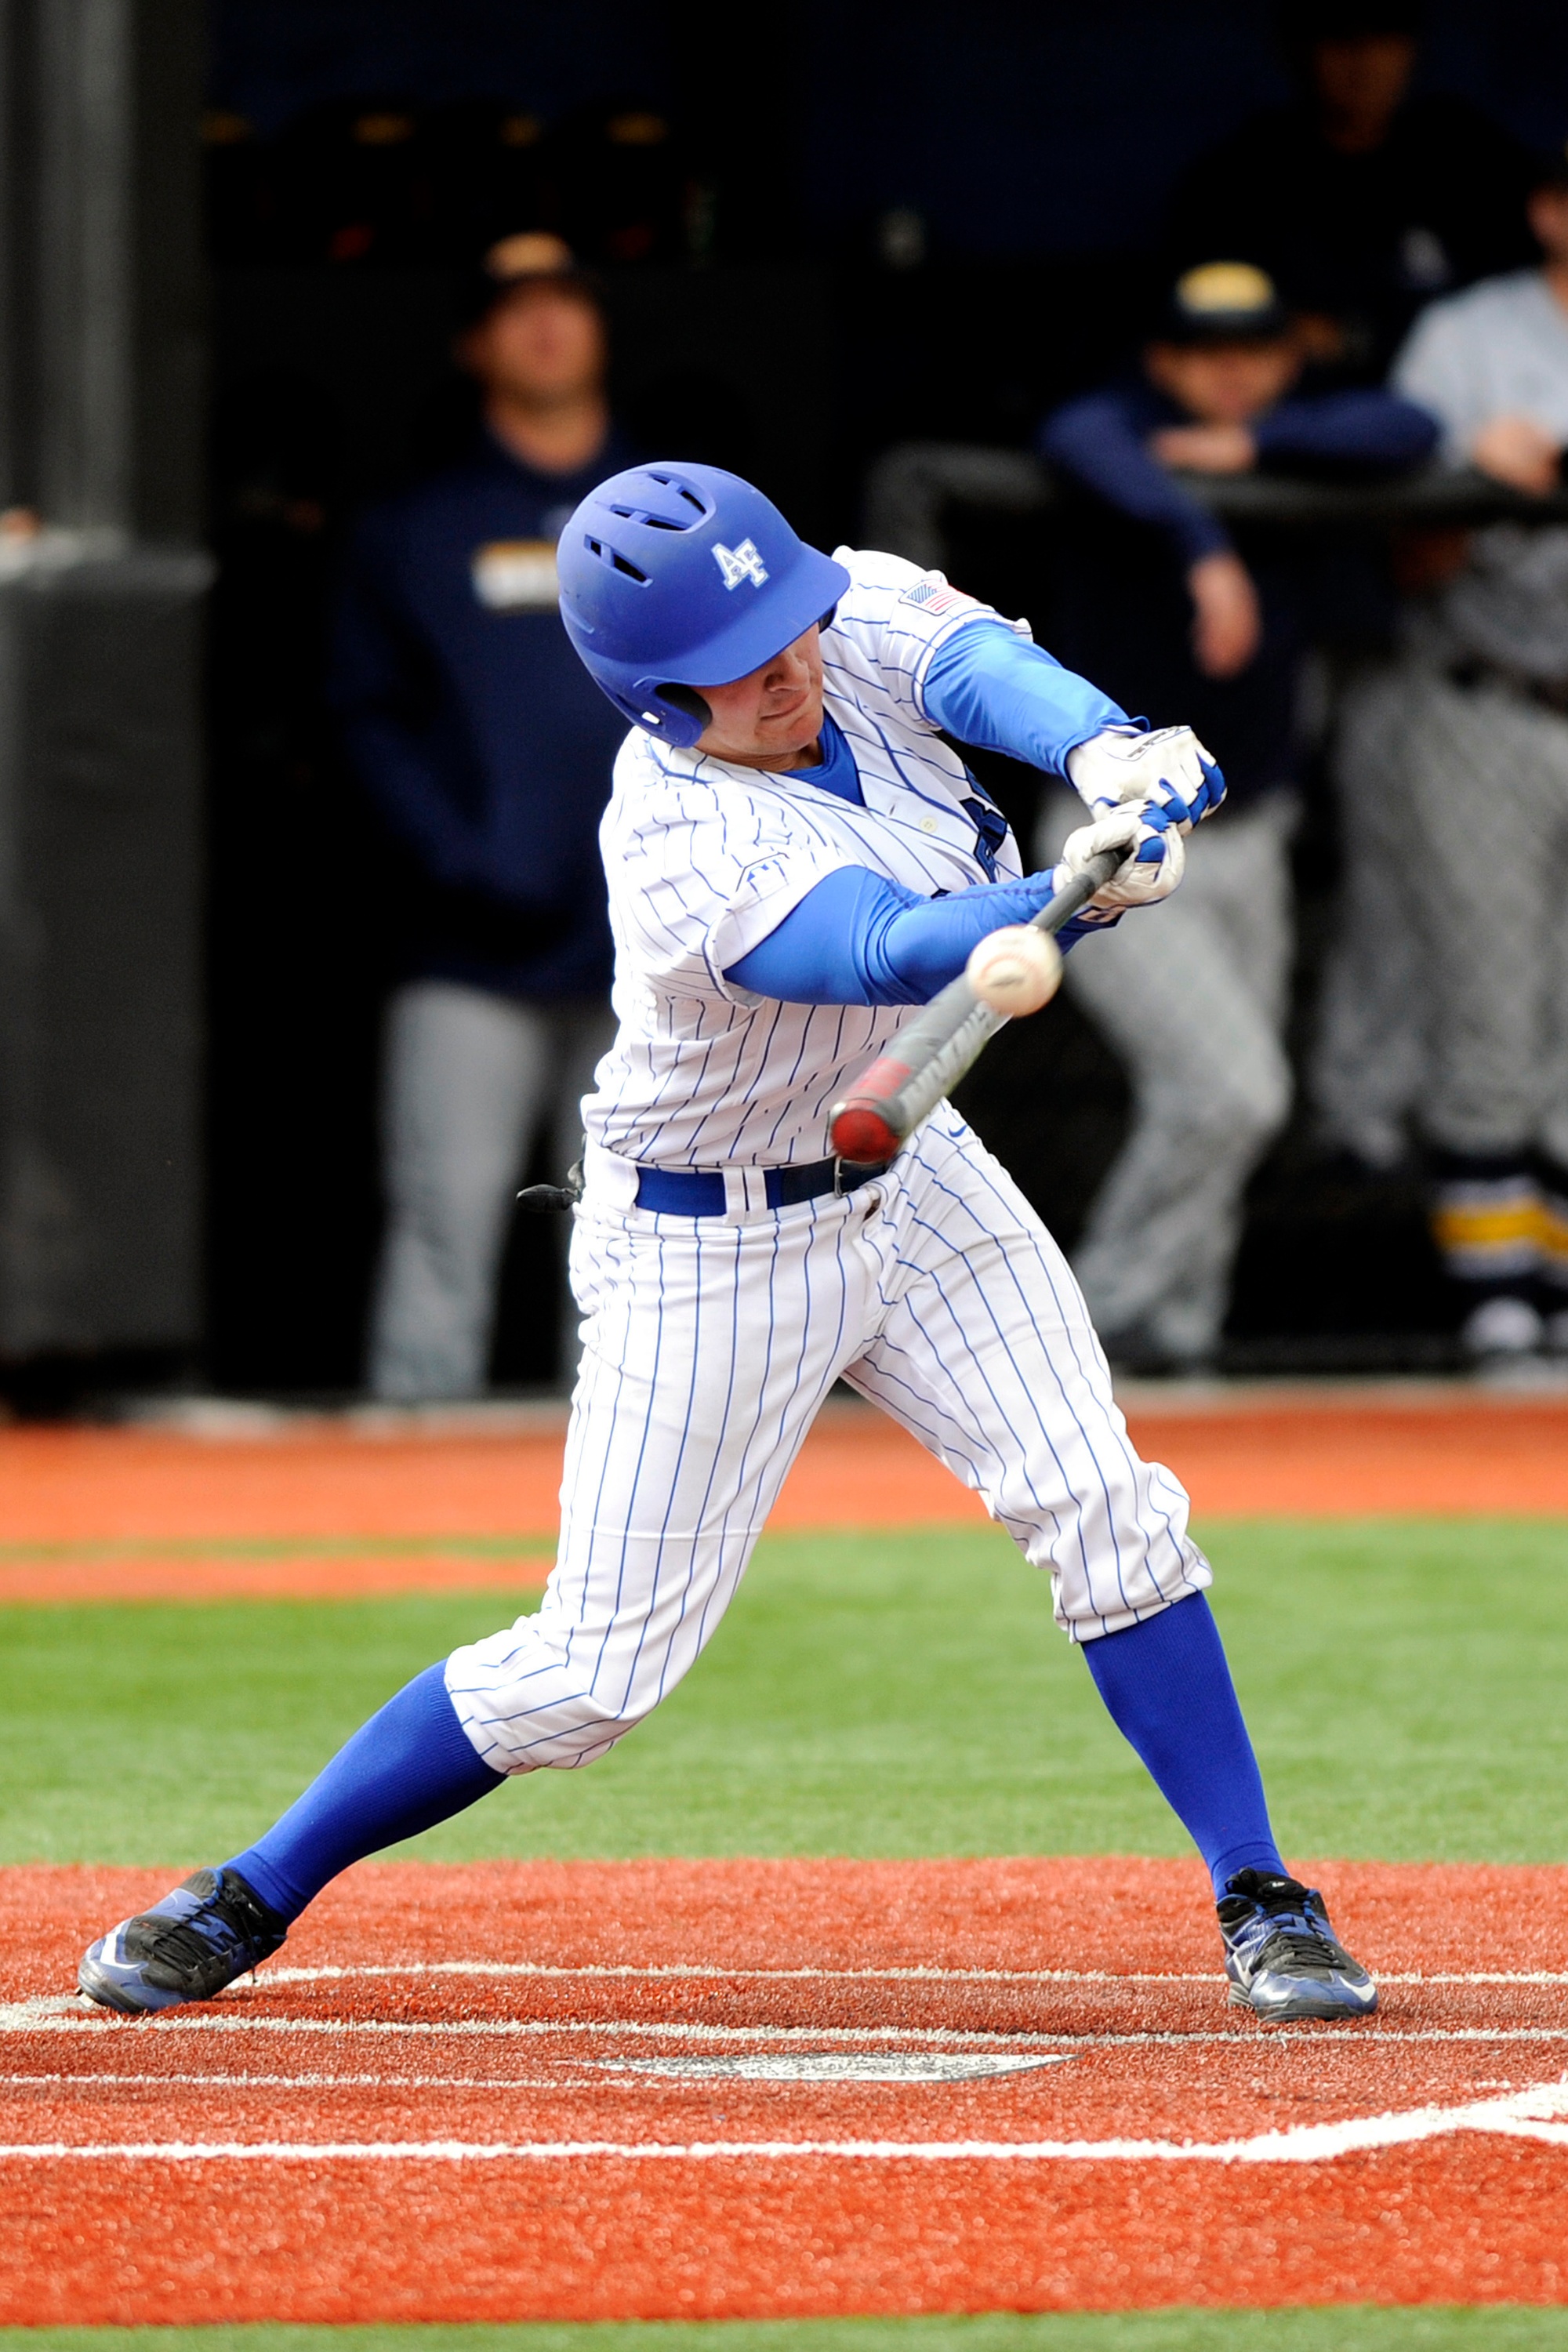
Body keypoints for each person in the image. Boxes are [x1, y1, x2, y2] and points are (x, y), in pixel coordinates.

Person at [78, 464, 1377, 2027]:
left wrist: (1109, 749)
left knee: (1108, 1513)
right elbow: (881, 948)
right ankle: (247, 1890)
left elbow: (972, 667)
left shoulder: (831, 609)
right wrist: (1061, 894)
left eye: (790, 625)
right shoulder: (680, 826)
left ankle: (1260, 1892)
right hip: (706, 1242)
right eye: (738, 661)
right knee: (592, 1674)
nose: (787, 665)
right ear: (654, 700)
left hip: (911, 1177)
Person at [1037, 261, 1436, 1372]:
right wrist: (1205, 543)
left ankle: (1181, 1339)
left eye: (1252, 350)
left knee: (1208, 1101)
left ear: (1284, 356)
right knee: (1237, 1092)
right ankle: (1082, 1326)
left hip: (1249, 830)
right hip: (1111, 838)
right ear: (1166, 358)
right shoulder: (1127, 433)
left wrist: (1254, 455)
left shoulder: (1293, 434)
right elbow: (1078, 438)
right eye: (1206, 350)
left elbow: (1409, 427)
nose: (1229, 370)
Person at [331, 232, 628, 1401]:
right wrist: (460, 860)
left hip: (654, 960)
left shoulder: (672, 510)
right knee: (443, 1227)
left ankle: (626, 1528)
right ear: (474, 342)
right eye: (515, 307)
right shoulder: (416, 529)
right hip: (469, 951)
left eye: (567, 299)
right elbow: (365, 720)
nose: (545, 324)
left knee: (629, 1254)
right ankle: (407, 1515)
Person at [1326, 148, 1568, 1361]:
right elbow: (1403, 555)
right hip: (1486, 698)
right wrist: (1481, 486)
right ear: (1547, 211)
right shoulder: (1468, 341)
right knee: (1489, 1004)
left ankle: (1554, 1288)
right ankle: (1500, 1304)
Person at [1167, 1, 1533, 383]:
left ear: (1413, 49)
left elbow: (1529, 300)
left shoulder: (1470, 157)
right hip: (1300, 410)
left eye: (1383, 38)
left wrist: (1355, 337)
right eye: (1341, 41)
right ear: (1296, 50)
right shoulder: (1239, 178)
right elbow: (1210, 331)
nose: (1364, 61)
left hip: (1473, 401)